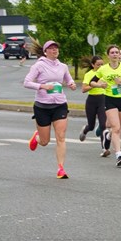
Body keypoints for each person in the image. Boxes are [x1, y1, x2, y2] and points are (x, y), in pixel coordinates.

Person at [24, 39, 74, 179]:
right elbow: (27, 82)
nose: (54, 50)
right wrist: (42, 86)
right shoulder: (38, 66)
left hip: (60, 104)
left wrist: (71, 84)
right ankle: (37, 137)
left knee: (61, 137)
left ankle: (61, 168)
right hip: (42, 106)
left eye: (56, 48)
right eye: (51, 49)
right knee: (45, 142)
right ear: (45, 52)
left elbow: (68, 79)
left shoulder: (63, 66)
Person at [89, 45, 121, 166]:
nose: (115, 54)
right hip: (109, 99)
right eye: (112, 52)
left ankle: (107, 135)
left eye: (117, 52)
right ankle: (119, 155)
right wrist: (100, 85)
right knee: (116, 127)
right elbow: (92, 82)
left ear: (119, 54)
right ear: (108, 55)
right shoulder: (103, 69)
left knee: (118, 128)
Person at [79, 55, 107, 146]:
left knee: (103, 125)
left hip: (103, 99)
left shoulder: (105, 74)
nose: (101, 67)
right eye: (98, 65)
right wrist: (95, 85)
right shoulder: (89, 74)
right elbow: (83, 89)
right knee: (91, 126)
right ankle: (85, 130)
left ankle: (104, 148)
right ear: (93, 65)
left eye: (102, 64)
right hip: (92, 100)